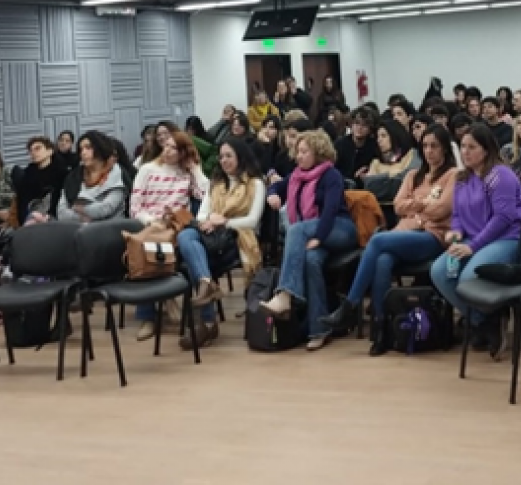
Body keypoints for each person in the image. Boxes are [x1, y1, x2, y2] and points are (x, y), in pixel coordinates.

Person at [320, 124, 459, 355]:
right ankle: (381, 331)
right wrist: (422, 207)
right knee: (383, 259)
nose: (429, 150)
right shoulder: (414, 175)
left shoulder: (452, 175)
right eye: (424, 145)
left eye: (434, 145)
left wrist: (414, 208)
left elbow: (443, 209)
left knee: (376, 242)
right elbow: (397, 205)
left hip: (432, 238)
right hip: (403, 235)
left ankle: (350, 306)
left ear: (445, 148)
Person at [429, 124, 521, 358]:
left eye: (471, 147)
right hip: (473, 239)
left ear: (486, 150)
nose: (465, 152)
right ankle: (484, 319)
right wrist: (455, 233)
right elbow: (457, 215)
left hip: (505, 238)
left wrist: (472, 246)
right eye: (462, 146)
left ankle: (485, 320)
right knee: (439, 271)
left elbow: (504, 218)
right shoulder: (463, 178)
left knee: (468, 277)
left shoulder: (500, 175)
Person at [261, 131, 359, 351]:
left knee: (295, 230)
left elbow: (331, 211)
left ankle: (285, 294)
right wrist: (272, 194)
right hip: (311, 233)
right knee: (311, 260)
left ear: (319, 152)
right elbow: (276, 186)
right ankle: (319, 329)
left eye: (304, 152)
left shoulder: (331, 175)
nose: (299, 156)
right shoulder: (296, 176)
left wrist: (318, 237)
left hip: (339, 229)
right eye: (298, 152)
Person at [171, 138, 267, 351]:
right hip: (212, 238)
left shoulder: (255, 184)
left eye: (229, 156)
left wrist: (224, 221)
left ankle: (207, 323)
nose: (224, 160)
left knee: (192, 254)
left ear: (240, 157)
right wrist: (209, 221)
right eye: (221, 156)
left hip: (237, 240)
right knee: (186, 237)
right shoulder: (216, 184)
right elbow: (202, 214)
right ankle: (207, 285)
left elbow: (253, 221)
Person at [128, 131, 210, 342]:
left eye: (174, 148)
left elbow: (206, 195)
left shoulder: (186, 173)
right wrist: (151, 221)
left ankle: (205, 313)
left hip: (177, 226)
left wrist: (195, 169)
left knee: (189, 246)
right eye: (166, 146)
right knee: (147, 247)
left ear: (184, 152)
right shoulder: (147, 170)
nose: (167, 150)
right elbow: (134, 207)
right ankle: (147, 317)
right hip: (151, 225)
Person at [56, 132, 129, 223]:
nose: (83, 153)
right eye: (81, 149)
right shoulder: (73, 176)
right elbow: (61, 213)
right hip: (78, 230)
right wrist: (83, 218)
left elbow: (107, 208)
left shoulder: (117, 172)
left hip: (110, 229)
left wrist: (79, 209)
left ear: (100, 148)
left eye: (88, 148)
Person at [16, 137, 65, 225]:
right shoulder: (27, 175)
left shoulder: (62, 173)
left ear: (50, 151)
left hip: (55, 218)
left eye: (38, 148)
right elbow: (22, 203)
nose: (33, 153)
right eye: (31, 151)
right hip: (31, 218)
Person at [334, 108, 380, 180]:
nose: (359, 128)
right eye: (356, 123)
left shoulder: (374, 147)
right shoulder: (340, 144)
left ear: (370, 128)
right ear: (351, 125)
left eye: (364, 125)